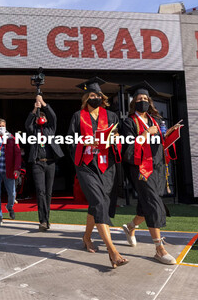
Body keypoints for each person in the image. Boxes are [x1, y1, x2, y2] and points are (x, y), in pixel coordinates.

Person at [68, 77, 128, 269]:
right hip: (86, 164)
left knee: (98, 203)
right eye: (91, 95)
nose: (95, 97)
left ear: (102, 97)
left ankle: (86, 237)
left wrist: (116, 138)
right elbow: (70, 139)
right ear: (86, 98)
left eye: (98, 95)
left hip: (106, 165)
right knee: (99, 202)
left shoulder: (111, 116)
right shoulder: (78, 116)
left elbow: (117, 137)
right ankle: (113, 252)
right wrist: (85, 142)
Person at [121, 82, 182, 265]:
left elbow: (161, 142)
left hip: (157, 167)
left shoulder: (156, 120)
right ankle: (159, 248)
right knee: (154, 204)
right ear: (134, 102)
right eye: (139, 99)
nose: (143, 101)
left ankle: (131, 227)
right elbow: (128, 149)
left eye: (146, 99)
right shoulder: (128, 122)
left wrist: (170, 133)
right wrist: (146, 133)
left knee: (147, 203)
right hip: (140, 169)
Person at [25, 94, 64, 231]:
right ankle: (43, 220)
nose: (41, 118)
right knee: (40, 191)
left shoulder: (50, 129)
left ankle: (47, 219)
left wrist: (43, 103)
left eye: (43, 116)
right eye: (39, 117)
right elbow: (27, 124)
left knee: (48, 192)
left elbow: (53, 117)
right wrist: (35, 110)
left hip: (51, 163)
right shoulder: (34, 131)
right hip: (38, 163)